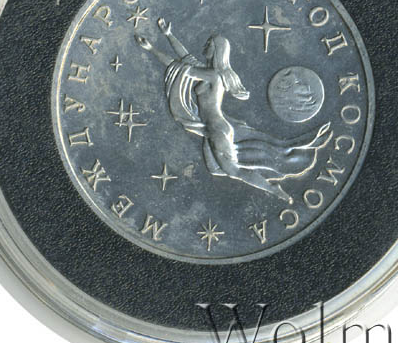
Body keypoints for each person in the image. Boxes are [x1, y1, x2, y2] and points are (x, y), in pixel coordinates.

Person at [135, 18, 331, 204]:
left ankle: (273, 189)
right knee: (214, 169)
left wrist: (152, 49)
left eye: (208, 44)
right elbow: (186, 59)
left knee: (234, 171)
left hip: (216, 128)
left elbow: (178, 66)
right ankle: (265, 180)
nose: (204, 47)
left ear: (216, 49)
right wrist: (168, 34)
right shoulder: (210, 73)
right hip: (210, 129)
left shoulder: (213, 76)